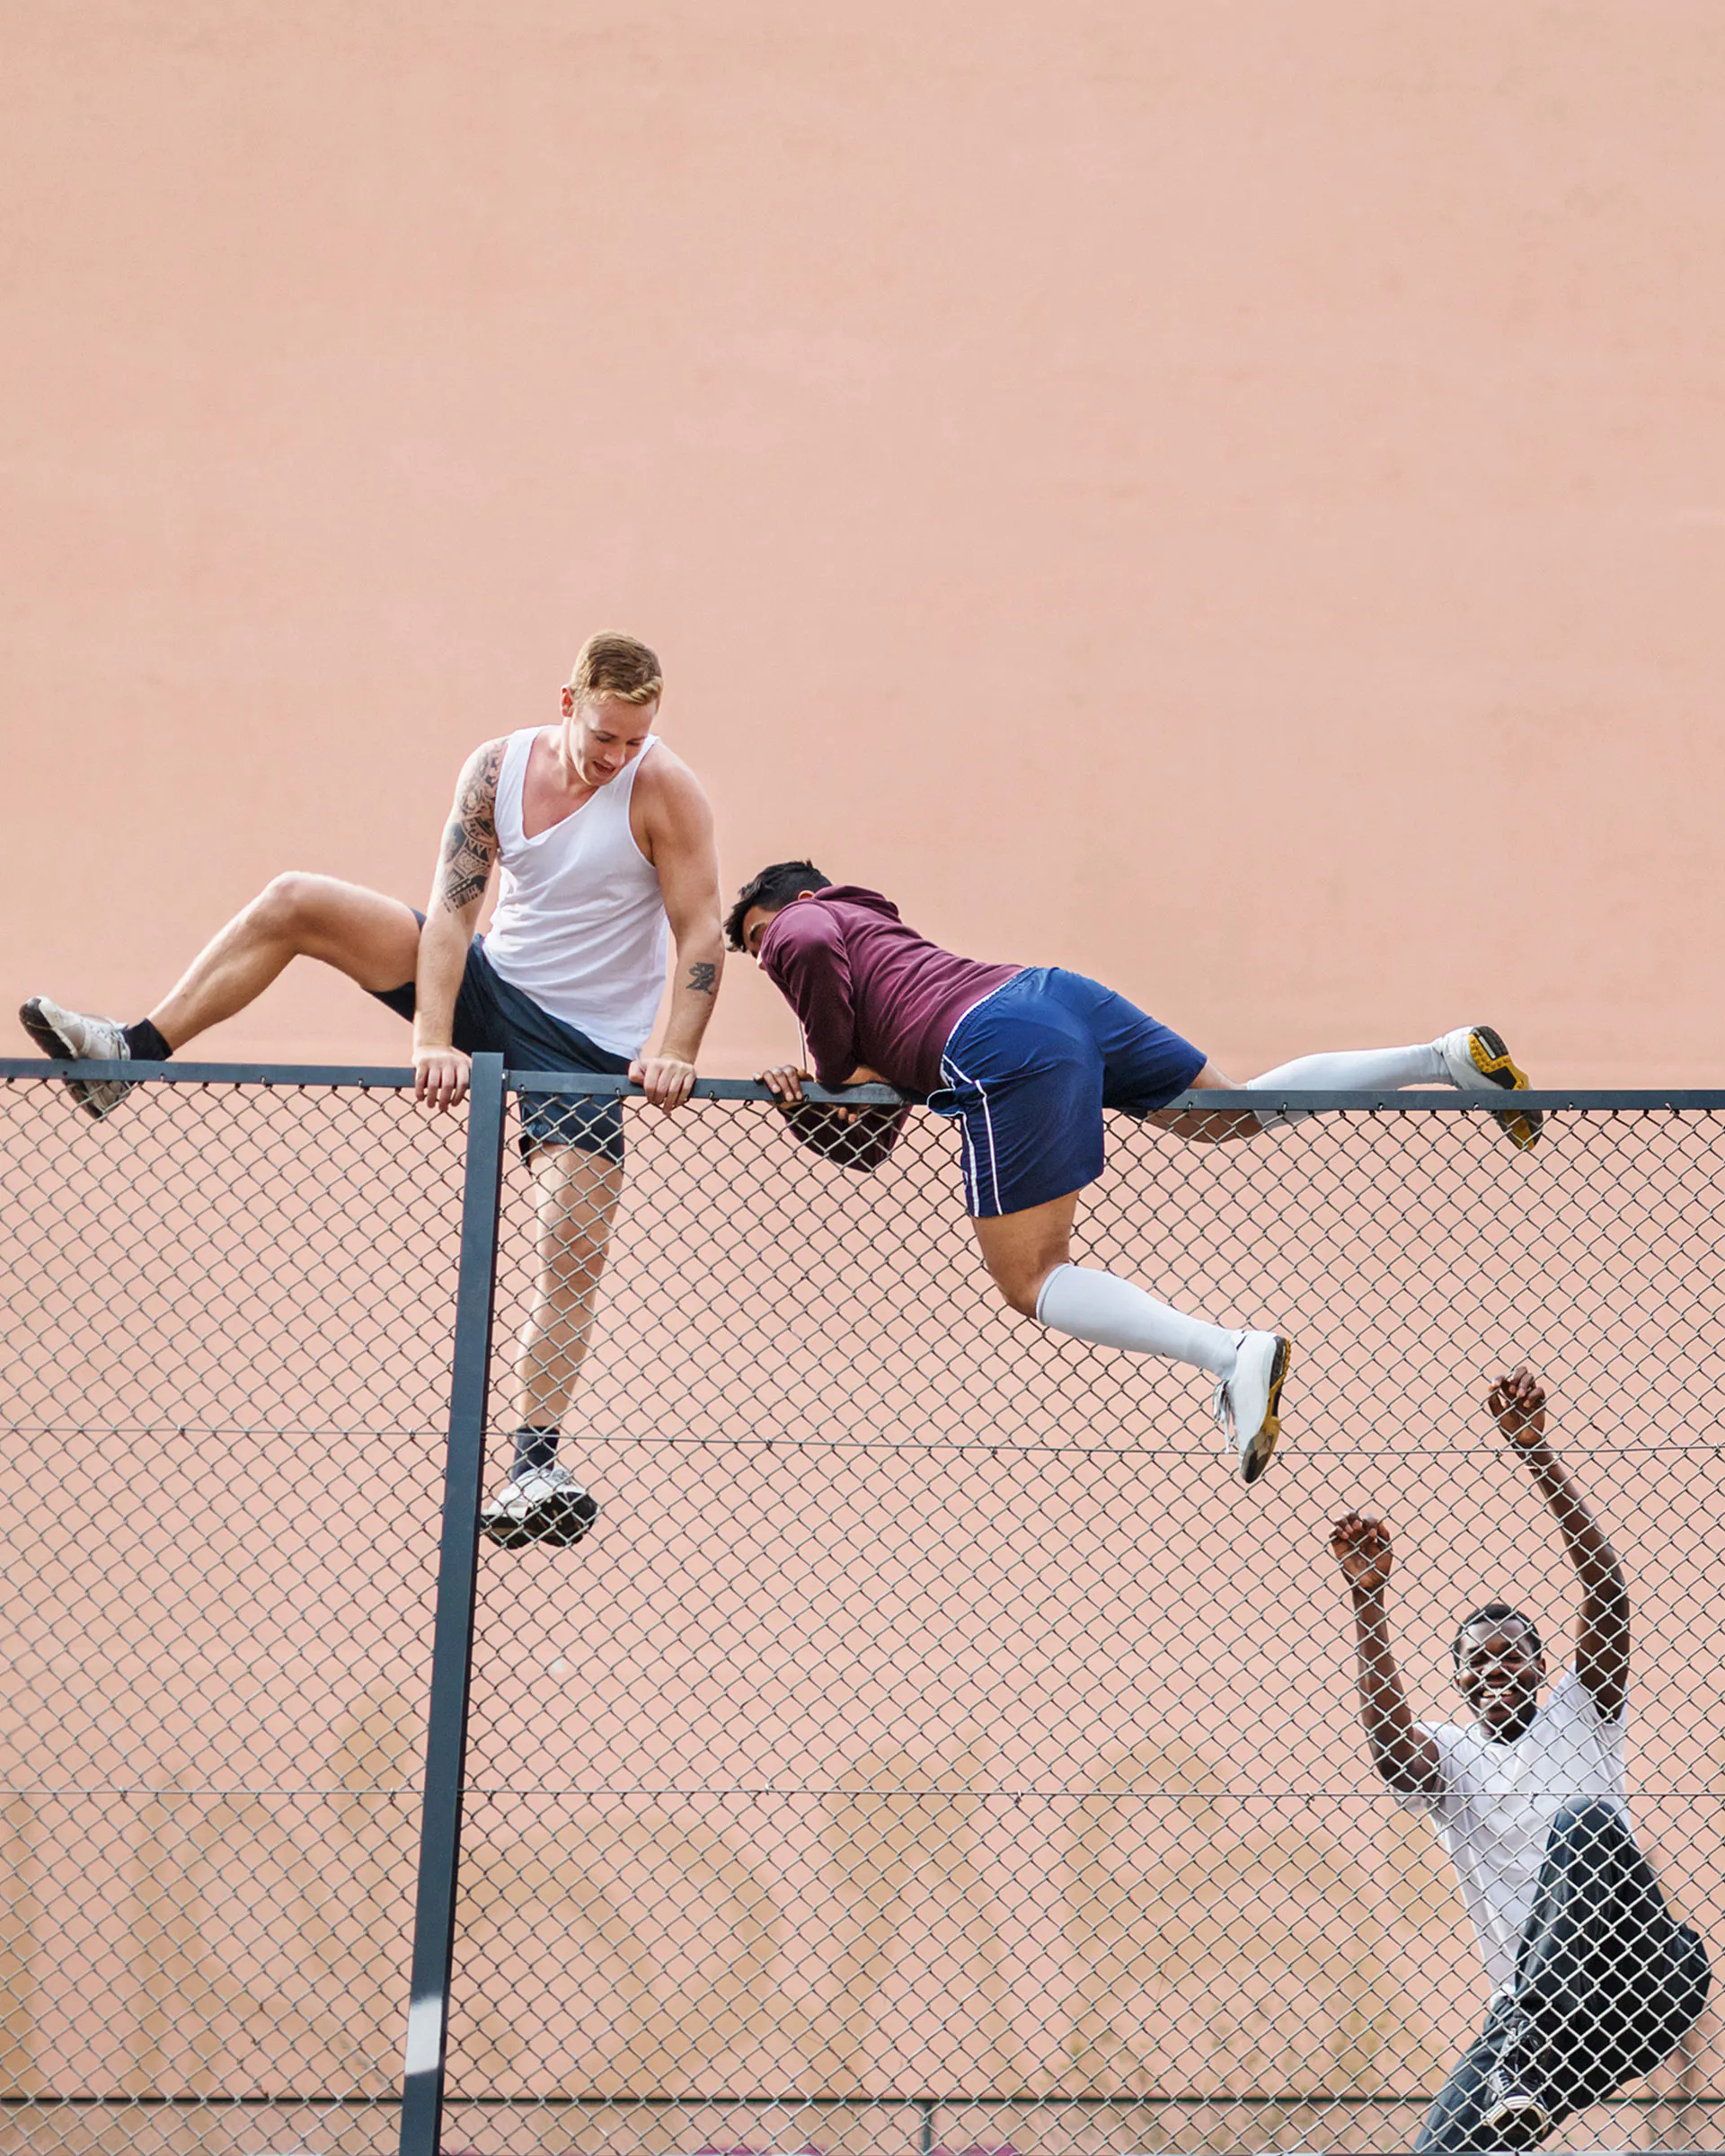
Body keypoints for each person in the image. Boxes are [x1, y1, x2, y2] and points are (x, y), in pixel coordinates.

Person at [22, 632, 724, 1550]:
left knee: (572, 1244)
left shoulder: (664, 790)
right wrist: (435, 1037)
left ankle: (532, 1465)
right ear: (568, 702)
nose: (615, 757)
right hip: (490, 986)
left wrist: (675, 1048)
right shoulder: (497, 770)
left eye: (634, 741)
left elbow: (701, 930)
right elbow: (453, 906)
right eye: (603, 737)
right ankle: (129, 1055)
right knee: (294, 899)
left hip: (588, 1049)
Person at [725, 862, 1540, 1481]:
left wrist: (827, 1065)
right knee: (1230, 1114)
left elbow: (802, 944)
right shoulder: (885, 961)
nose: (769, 962)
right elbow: (868, 1148)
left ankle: (1232, 1355)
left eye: (756, 939)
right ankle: (1443, 1056)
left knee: (1031, 1278)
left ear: (791, 906)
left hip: (995, 1042)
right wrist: (808, 1103)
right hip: (1051, 994)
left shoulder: (806, 930)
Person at [1330, 1368, 1710, 2150]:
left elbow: (1606, 1594)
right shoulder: (1453, 1755)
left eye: (1513, 1656)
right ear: (1460, 1680)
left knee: (1586, 1824)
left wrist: (1537, 1456)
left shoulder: (1584, 1710)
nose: (1497, 1667)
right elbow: (1393, 1756)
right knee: (1445, 2147)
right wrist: (1370, 1604)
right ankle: (1521, 2083)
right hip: (1541, 2023)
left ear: (1543, 1669)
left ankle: (1521, 2071)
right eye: (1479, 1659)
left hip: (1645, 1979)